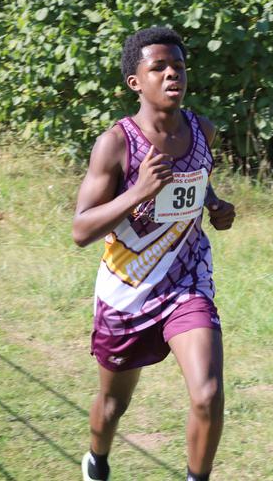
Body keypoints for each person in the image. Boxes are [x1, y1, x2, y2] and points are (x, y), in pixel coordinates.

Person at [72, 26, 236, 481]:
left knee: (207, 394)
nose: (171, 75)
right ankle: (96, 462)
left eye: (178, 67)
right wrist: (138, 190)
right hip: (128, 291)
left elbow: (195, 182)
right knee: (112, 404)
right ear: (135, 82)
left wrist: (214, 206)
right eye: (158, 67)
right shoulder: (117, 144)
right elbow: (81, 229)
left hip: (186, 282)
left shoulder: (203, 129)